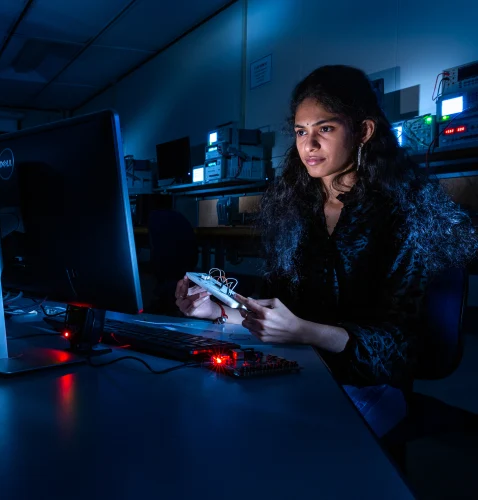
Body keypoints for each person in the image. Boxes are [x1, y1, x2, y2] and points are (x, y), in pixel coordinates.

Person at [175, 64, 478, 438]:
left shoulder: (405, 211)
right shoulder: (296, 207)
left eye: (326, 129)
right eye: (302, 132)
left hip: (372, 385)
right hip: (299, 367)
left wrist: (307, 332)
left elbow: (399, 347)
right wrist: (217, 311)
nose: (309, 145)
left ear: (364, 131)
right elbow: (282, 318)